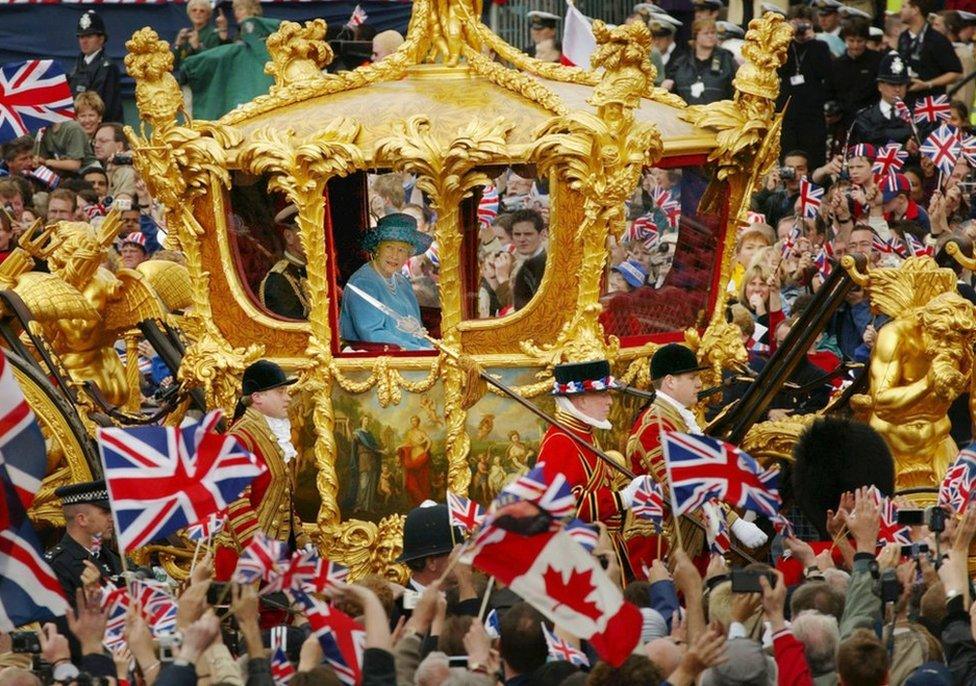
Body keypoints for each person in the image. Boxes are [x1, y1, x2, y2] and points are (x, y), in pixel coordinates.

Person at [625, 344, 768, 567]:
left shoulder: (674, 420)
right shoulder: (655, 426)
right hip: (665, 546)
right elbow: (682, 487)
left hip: (689, 537)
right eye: (692, 378)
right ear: (670, 381)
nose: (700, 384)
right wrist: (735, 522)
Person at [535, 358, 649, 580]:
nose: (610, 402)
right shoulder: (560, 441)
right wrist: (621, 499)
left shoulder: (582, 434)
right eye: (602, 394)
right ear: (580, 399)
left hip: (603, 548)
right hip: (585, 556)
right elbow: (563, 507)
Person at [216, 360, 309, 580]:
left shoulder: (272, 432)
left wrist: (301, 538)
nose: (287, 397)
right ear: (257, 397)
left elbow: (283, 498)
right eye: (280, 391)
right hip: (245, 562)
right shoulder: (239, 438)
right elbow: (236, 505)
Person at [340, 212, 433, 350]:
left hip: (411, 359)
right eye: (389, 247)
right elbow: (372, 334)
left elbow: (417, 331)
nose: (395, 255)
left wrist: (430, 347)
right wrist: (418, 350)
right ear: (377, 248)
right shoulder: (363, 282)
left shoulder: (403, 283)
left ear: (408, 255)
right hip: (377, 363)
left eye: (401, 250)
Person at [45, 480, 122, 606]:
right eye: (105, 512)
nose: (112, 518)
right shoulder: (54, 567)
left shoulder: (112, 557)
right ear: (82, 519)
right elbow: (64, 623)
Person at [777, 6, 832, 170]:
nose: (800, 28)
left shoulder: (820, 46)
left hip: (812, 112)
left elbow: (825, 73)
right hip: (788, 111)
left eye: (804, 24)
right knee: (787, 155)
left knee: (813, 158)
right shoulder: (784, 46)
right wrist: (786, 37)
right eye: (797, 23)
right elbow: (778, 68)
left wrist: (812, 40)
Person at [850, 52, 917, 150]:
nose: (897, 89)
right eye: (892, 84)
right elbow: (868, 148)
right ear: (880, 86)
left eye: (901, 84)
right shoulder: (865, 117)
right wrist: (903, 147)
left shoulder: (916, 114)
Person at [898, 0, 963, 100]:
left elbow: (955, 73)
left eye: (904, 7)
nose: (900, 11)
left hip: (930, 103)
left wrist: (928, 84)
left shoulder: (937, 39)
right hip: (906, 100)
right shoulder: (903, 37)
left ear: (915, 10)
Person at [664, 18, 737, 105]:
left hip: (715, 115)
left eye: (713, 33)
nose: (710, 36)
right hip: (684, 113)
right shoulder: (682, 62)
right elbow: (669, 85)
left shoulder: (727, 60)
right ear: (696, 36)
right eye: (706, 33)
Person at [67, 10, 123, 124]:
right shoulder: (76, 67)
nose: (84, 41)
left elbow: (105, 108)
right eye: (81, 37)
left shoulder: (108, 68)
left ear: (101, 39)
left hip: (102, 128)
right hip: (79, 126)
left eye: (89, 36)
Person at [828, 18, 882, 130]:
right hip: (844, 122)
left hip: (871, 121)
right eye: (851, 41)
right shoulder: (837, 64)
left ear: (866, 40)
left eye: (859, 41)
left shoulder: (878, 60)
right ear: (845, 40)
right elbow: (830, 92)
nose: (855, 45)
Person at [259, 206, 309, 320]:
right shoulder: (278, 281)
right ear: (289, 236)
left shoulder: (311, 270)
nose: (315, 237)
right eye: (307, 230)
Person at [509, 208, 547, 311]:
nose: (521, 239)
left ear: (542, 234)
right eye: (517, 234)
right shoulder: (510, 262)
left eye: (528, 234)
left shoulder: (549, 265)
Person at [173, 0, 229, 66]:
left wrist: (198, 47)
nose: (198, 13)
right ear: (189, 13)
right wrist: (177, 45)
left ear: (208, 15)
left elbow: (214, 63)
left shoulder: (214, 35)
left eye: (202, 11)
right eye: (194, 10)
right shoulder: (185, 34)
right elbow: (172, 64)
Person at [91, 123, 137, 199]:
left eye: (103, 141)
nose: (96, 145)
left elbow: (125, 204)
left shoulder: (129, 171)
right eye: (95, 141)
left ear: (119, 146)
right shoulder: (106, 168)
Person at [397, 415, 433, 507]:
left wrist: (425, 451)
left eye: (415, 421)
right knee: (411, 482)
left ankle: (423, 502)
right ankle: (416, 501)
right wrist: (400, 446)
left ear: (418, 422)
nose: (413, 423)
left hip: (420, 456)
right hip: (412, 457)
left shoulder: (421, 432)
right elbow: (408, 443)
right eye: (412, 421)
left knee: (421, 480)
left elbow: (429, 441)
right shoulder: (409, 433)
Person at [351, 415, 382, 512]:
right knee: (363, 483)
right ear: (361, 421)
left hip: (372, 459)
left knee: (372, 483)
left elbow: (374, 446)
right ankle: (359, 505)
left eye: (368, 420)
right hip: (364, 458)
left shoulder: (370, 434)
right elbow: (353, 441)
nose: (367, 422)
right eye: (365, 420)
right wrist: (349, 428)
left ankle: (369, 506)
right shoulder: (358, 433)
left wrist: (381, 451)